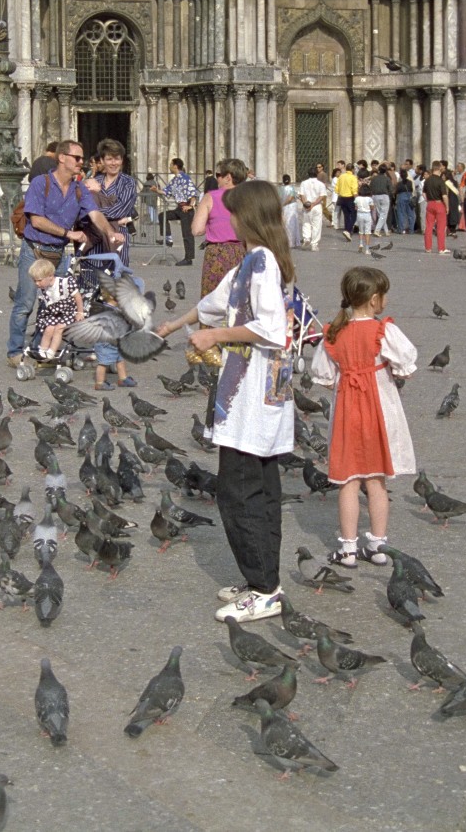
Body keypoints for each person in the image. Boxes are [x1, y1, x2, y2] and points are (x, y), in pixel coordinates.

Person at [153, 180, 295, 623]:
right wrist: (176, 324)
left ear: (248, 216)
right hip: (248, 391)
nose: (228, 218)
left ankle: (263, 589)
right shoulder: (250, 262)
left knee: (240, 491)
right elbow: (216, 303)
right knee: (257, 488)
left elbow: (272, 328)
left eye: (234, 212)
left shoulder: (263, 263)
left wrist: (214, 336)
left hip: (253, 392)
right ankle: (260, 578)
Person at [309, 266, 416, 569]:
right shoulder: (384, 331)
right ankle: (379, 545)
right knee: (376, 481)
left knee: (348, 482)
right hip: (378, 410)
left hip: (347, 410)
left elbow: (324, 376)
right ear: (373, 300)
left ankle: (348, 549)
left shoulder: (334, 331)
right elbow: (407, 366)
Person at [5, 140, 122, 367]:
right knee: (25, 303)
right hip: (35, 251)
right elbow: (37, 220)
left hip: (57, 253)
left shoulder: (79, 189)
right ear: (62, 158)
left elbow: (95, 214)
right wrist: (69, 233)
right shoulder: (41, 183)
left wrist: (110, 232)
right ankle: (15, 351)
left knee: (54, 305)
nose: (81, 162)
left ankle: (43, 349)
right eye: (77, 158)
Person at [192, 158, 249, 297]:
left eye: (219, 175)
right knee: (239, 299)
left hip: (217, 254)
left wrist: (213, 224)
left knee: (213, 299)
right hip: (243, 252)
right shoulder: (249, 197)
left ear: (228, 177)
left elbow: (196, 230)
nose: (217, 179)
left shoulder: (210, 197)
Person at [83, 139, 137, 268]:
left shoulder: (128, 182)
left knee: (116, 278)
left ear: (122, 160)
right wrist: (113, 220)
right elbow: (83, 207)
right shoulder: (94, 181)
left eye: (117, 159)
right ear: (102, 161)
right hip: (93, 234)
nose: (113, 163)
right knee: (91, 277)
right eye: (109, 159)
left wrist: (94, 215)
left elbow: (120, 210)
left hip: (118, 235)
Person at [28, 257, 81, 361]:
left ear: (50, 276)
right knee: (48, 329)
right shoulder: (44, 288)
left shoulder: (65, 283)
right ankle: (42, 352)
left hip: (69, 313)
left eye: (39, 280)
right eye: (35, 281)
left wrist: (80, 312)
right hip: (56, 314)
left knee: (59, 329)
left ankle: (51, 352)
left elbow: (78, 297)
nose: (37, 284)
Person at [159, 157, 199, 266]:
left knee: (187, 234)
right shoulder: (175, 180)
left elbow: (193, 192)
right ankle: (168, 238)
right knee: (163, 215)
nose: (169, 166)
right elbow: (167, 191)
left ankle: (188, 258)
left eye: (171, 164)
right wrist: (156, 190)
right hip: (179, 208)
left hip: (186, 208)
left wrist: (191, 206)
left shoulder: (185, 178)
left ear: (175, 166)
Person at [297, 163, 329, 251]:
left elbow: (301, 195)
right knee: (317, 225)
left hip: (306, 205)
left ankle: (306, 238)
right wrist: (313, 204)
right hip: (316, 206)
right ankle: (314, 244)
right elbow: (322, 196)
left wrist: (305, 204)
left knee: (306, 222)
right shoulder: (320, 184)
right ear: (316, 174)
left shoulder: (304, 183)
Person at [421, 164, 449, 254]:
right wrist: (447, 206)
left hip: (430, 204)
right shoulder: (441, 181)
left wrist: (427, 200)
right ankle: (441, 248)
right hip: (439, 203)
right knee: (441, 227)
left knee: (428, 226)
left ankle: (428, 248)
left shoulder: (427, 180)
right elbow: (444, 196)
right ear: (439, 169)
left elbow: (423, 193)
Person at [334, 160, 359, 239]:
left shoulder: (341, 176)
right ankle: (348, 230)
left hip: (341, 197)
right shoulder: (353, 178)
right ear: (352, 170)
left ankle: (346, 229)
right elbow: (354, 190)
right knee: (354, 215)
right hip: (350, 198)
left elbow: (336, 189)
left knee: (346, 215)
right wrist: (357, 201)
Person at [278, 174, 303, 248]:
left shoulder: (280, 189)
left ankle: (286, 241)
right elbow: (291, 198)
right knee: (292, 223)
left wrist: (282, 205)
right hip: (291, 207)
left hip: (284, 207)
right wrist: (285, 203)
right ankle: (292, 241)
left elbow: (279, 197)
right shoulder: (291, 188)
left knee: (285, 223)